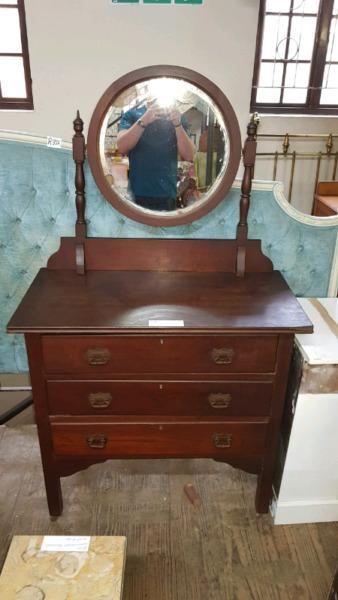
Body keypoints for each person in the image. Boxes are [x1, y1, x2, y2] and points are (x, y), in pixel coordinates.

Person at [116, 101, 195, 211]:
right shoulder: (132, 114)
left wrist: (177, 124)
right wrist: (144, 120)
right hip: (137, 193)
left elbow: (189, 155)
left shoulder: (177, 117)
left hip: (167, 195)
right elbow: (121, 147)